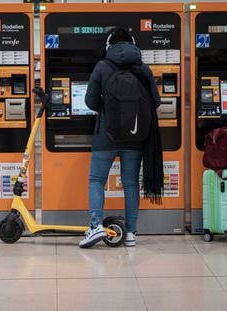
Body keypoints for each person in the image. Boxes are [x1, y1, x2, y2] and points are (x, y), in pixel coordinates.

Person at [79, 27, 164, 248]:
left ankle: (95, 226)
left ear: (109, 45)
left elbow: (89, 102)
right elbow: (156, 101)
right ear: (133, 44)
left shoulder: (102, 66)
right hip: (135, 136)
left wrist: (107, 110)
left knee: (97, 181)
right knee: (130, 183)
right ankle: (131, 234)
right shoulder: (143, 68)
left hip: (106, 136)